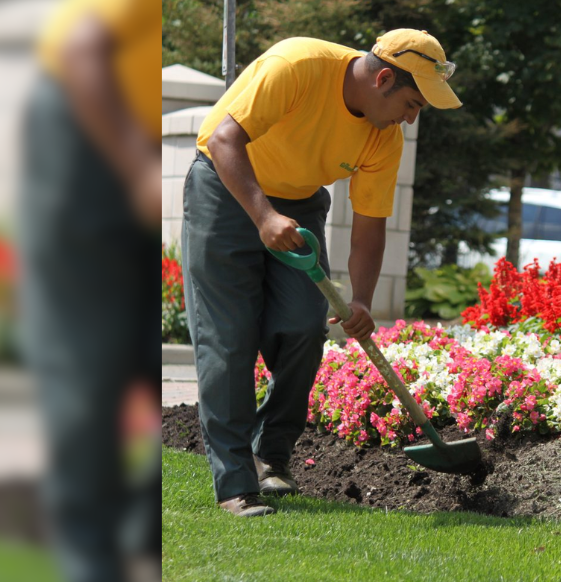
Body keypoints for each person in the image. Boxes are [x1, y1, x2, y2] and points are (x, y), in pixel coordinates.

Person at [182, 29, 461, 517]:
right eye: (412, 103)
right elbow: (225, 139)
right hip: (227, 188)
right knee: (227, 339)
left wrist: (362, 301)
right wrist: (263, 215)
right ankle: (236, 484)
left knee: (304, 326)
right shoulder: (297, 64)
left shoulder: (384, 135)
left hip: (301, 202)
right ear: (384, 78)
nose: (411, 117)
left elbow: (370, 226)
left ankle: (269, 454)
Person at [19, 0, 161, 580]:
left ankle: (142, 533)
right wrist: (137, 169)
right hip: (85, 135)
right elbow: (82, 49)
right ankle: (87, 552)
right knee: (88, 362)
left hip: (130, 138)